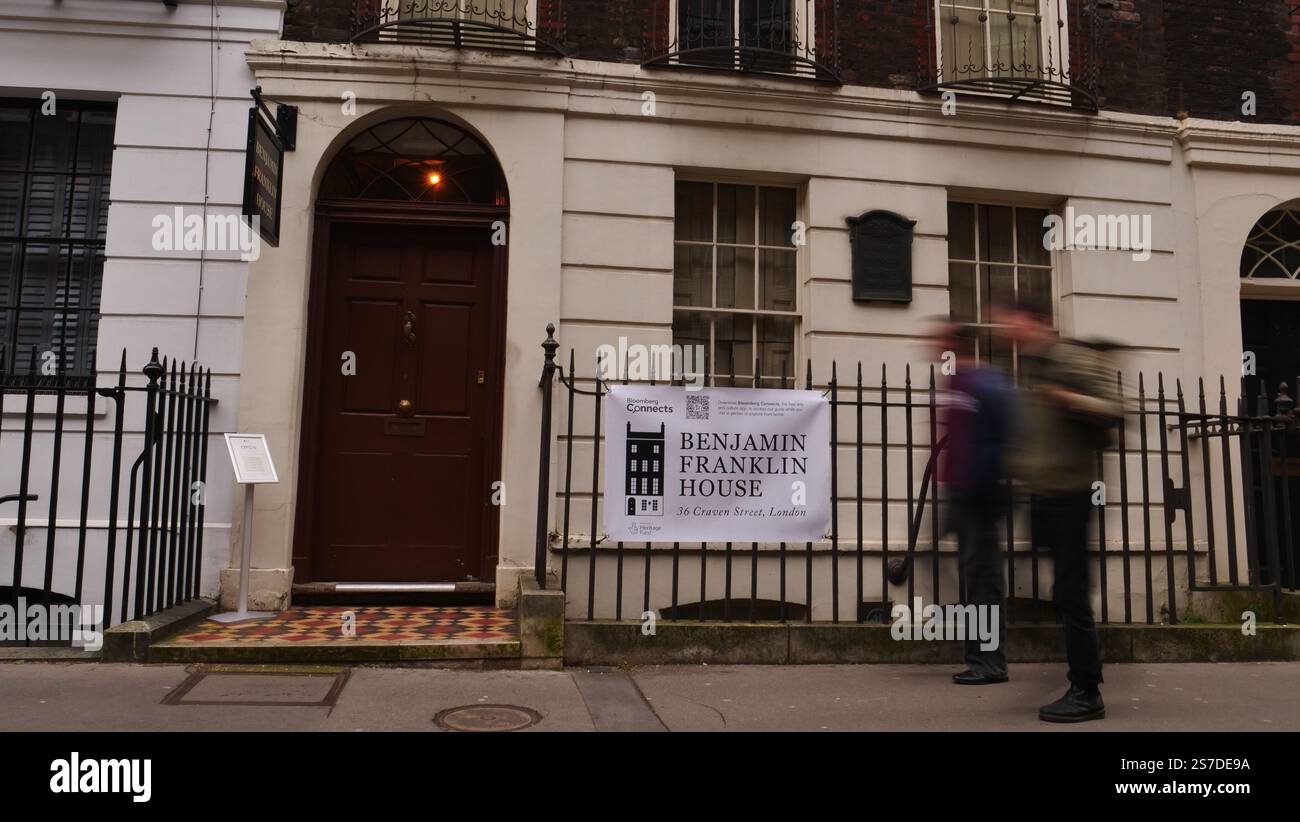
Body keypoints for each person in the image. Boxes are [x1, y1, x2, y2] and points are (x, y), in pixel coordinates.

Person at [996, 297, 1122, 723]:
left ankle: (1087, 691)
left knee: (1072, 594)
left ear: (1036, 321)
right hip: (1045, 494)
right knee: (1064, 594)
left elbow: (1114, 411)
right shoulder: (1033, 366)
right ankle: (1083, 683)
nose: (1005, 330)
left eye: (1010, 322)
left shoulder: (1070, 358)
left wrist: (1068, 398)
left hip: (1070, 493)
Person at [931, 321, 1014, 685]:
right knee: (977, 579)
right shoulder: (956, 383)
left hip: (978, 495)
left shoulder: (984, 382)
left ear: (957, 343)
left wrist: (983, 491)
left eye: (942, 339)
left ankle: (989, 662)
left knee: (983, 581)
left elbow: (1003, 436)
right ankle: (980, 658)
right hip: (964, 495)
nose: (934, 345)